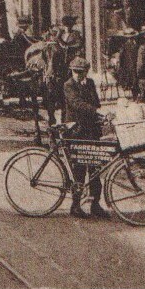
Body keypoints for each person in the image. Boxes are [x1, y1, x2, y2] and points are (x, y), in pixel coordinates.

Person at [59, 59, 106, 217]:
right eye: (75, 71)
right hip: (76, 131)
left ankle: (95, 204)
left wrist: (98, 114)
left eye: (81, 72)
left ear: (87, 71)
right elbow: (76, 103)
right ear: (71, 71)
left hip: (91, 130)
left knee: (95, 168)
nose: (78, 75)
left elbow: (96, 102)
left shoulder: (90, 83)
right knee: (78, 170)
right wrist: (95, 112)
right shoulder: (68, 85)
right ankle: (75, 205)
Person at [113, 27, 139, 97]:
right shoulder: (128, 46)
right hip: (131, 67)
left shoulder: (131, 45)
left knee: (134, 83)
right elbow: (121, 58)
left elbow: (121, 58)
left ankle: (134, 96)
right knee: (133, 83)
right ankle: (134, 96)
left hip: (131, 67)